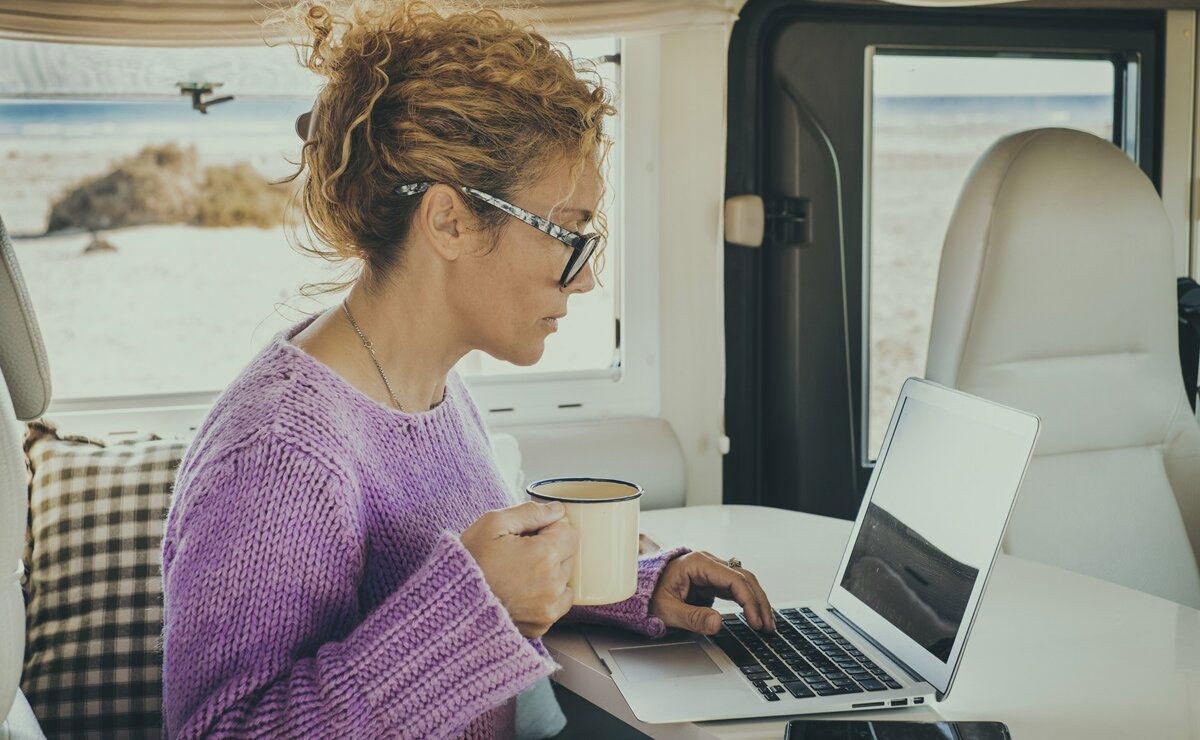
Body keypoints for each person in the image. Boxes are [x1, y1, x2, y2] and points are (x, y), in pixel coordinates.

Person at [159, 1, 775, 737]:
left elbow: (462, 595)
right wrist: (477, 606)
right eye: (570, 235)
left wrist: (629, 587)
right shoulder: (280, 454)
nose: (584, 280)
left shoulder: (431, 389)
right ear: (449, 221)